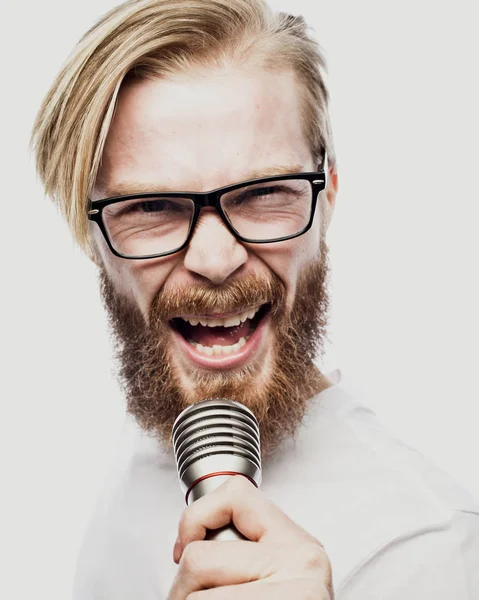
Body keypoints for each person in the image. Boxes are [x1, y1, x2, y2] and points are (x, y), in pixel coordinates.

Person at [31, 0, 479, 598]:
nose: (215, 261)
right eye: (151, 207)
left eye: (263, 193)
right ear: (91, 237)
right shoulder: (163, 424)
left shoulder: (428, 553)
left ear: (327, 201)